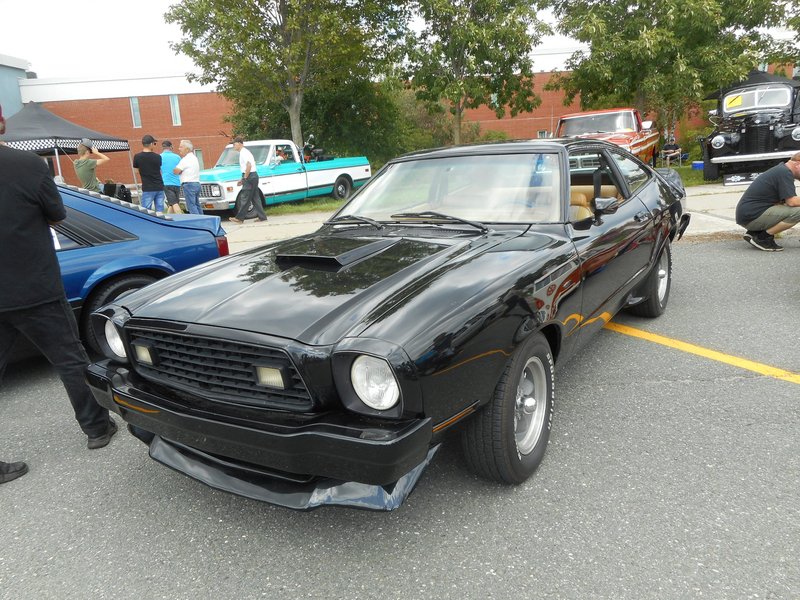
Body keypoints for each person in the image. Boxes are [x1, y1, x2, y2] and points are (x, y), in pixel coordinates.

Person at [0, 103, 117, 486]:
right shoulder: (29, 166)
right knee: (69, 359)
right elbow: (58, 216)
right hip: (33, 285)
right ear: (1, 121)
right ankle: (97, 429)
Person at [736, 153, 800, 251]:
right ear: (797, 164)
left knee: (786, 206)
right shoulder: (784, 173)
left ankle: (755, 233)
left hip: (748, 215)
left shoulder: (781, 170)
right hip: (752, 216)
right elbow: (792, 202)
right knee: (798, 211)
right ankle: (763, 238)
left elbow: (786, 202)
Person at [229, 137, 267, 223]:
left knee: (245, 197)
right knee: (255, 198)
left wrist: (245, 178)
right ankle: (262, 217)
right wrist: (242, 178)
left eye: (234, 144)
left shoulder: (244, 153)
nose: (233, 146)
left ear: (240, 143)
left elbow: (248, 166)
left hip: (249, 176)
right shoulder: (244, 152)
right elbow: (245, 168)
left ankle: (239, 218)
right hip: (252, 176)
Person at [133, 134, 165, 212]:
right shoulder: (158, 157)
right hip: (159, 187)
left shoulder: (137, 157)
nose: (154, 145)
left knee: (146, 212)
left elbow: (136, 171)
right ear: (151, 144)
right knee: (160, 212)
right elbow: (159, 170)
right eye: (154, 144)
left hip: (147, 188)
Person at [173, 139, 202, 215]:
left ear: (187, 149)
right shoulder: (194, 157)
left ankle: (197, 222)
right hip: (196, 183)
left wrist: (178, 170)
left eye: (181, 147)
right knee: (197, 205)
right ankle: (203, 220)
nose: (179, 149)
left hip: (189, 184)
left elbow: (176, 171)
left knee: (191, 206)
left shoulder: (185, 159)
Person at [160, 140, 182, 214]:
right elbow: (181, 170)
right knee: (172, 203)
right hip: (177, 183)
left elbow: (159, 170)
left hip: (166, 183)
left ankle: (181, 219)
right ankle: (167, 219)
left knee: (174, 203)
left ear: (162, 147)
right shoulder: (177, 157)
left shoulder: (159, 157)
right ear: (171, 147)